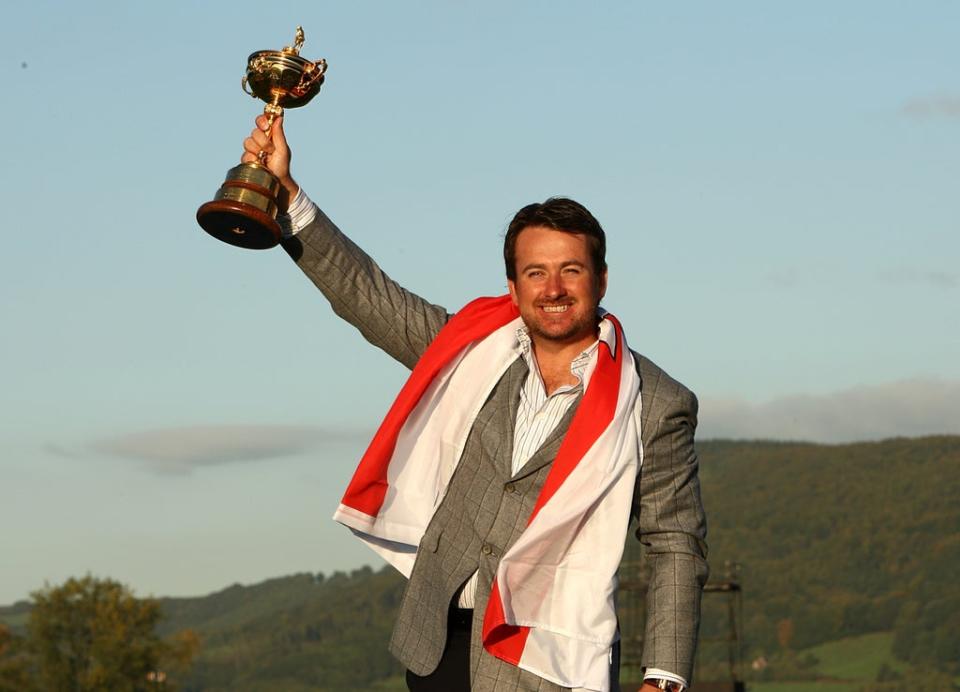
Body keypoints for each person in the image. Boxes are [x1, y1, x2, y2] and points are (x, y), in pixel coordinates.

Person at [241, 115, 708, 692]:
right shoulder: (470, 351)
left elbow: (674, 544)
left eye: (571, 270)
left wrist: (664, 676)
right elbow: (370, 297)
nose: (553, 288)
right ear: (513, 287)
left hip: (550, 664)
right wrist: (287, 198)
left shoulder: (657, 403)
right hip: (436, 644)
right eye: (535, 272)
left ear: (602, 279)